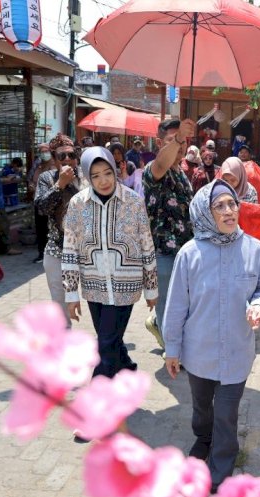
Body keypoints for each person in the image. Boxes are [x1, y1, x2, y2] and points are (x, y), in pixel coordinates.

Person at [163, 180, 260, 492]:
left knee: (226, 413)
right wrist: (172, 349)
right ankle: (203, 439)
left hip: (237, 351)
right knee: (202, 408)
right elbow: (176, 306)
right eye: (220, 206)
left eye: (232, 204)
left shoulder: (254, 250)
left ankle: (222, 464)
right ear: (204, 212)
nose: (229, 211)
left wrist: (258, 304)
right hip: (198, 351)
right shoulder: (190, 254)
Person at [63, 147, 158, 378]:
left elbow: (147, 244)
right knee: (110, 338)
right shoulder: (77, 204)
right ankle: (124, 364)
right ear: (86, 176)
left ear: (115, 169)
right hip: (94, 286)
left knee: (105, 343)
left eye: (107, 172)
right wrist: (71, 294)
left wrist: (151, 288)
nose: (103, 180)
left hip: (126, 285)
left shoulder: (134, 202)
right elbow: (70, 249)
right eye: (95, 176)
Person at [142, 118, 195, 349]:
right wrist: (180, 137)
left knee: (183, 305)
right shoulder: (153, 170)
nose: (180, 146)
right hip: (163, 252)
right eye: (172, 140)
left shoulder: (182, 172)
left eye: (182, 141)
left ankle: (159, 327)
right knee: (167, 304)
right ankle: (173, 353)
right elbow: (161, 164)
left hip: (185, 252)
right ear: (158, 143)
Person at [34, 133, 82, 326]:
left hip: (89, 251)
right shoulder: (47, 178)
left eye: (71, 154)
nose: (68, 159)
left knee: (100, 298)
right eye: (61, 156)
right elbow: (41, 208)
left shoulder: (87, 176)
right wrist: (60, 185)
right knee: (60, 305)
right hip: (57, 249)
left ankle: (107, 345)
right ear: (55, 160)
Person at [29, 144, 54, 264]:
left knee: (50, 228)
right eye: (41, 151)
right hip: (39, 202)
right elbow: (31, 178)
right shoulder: (38, 165)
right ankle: (41, 253)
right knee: (40, 229)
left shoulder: (55, 164)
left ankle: (51, 254)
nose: (44, 153)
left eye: (46, 151)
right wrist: (32, 186)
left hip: (51, 203)